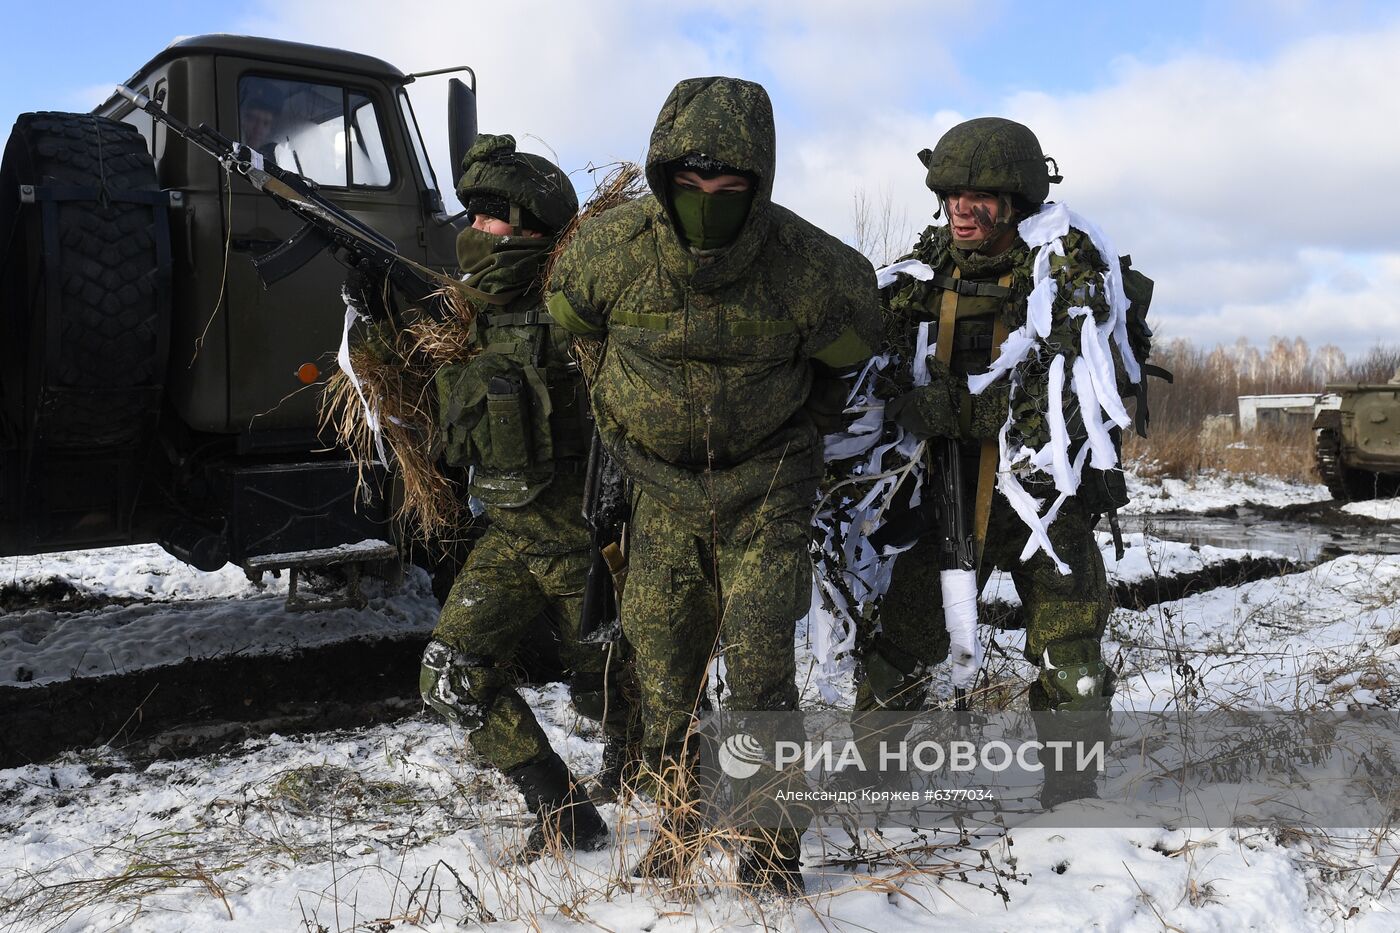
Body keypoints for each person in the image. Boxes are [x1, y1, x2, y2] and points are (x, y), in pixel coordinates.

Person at [546, 76, 882, 894]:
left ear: (759, 185)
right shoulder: (608, 254)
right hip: (658, 488)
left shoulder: (815, 269)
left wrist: (792, 423)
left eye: (729, 187)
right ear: (662, 179)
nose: (707, 201)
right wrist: (635, 413)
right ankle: (681, 818)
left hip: (767, 486)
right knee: (663, 668)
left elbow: (853, 352)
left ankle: (771, 851)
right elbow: (574, 325)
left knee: (762, 661)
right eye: (690, 185)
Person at [363, 134, 633, 859]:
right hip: (513, 539)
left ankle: (674, 801)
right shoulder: (474, 318)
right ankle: (559, 804)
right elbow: (431, 409)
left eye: (490, 219)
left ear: (532, 228)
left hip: (589, 546)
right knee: (449, 673)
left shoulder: (582, 308)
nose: (472, 233)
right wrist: (380, 322)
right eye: (471, 217)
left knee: (617, 695)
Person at [866, 117, 1137, 806]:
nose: (963, 206)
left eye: (980, 194)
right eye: (952, 192)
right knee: (900, 642)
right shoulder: (924, 270)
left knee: (1070, 650)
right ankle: (868, 781)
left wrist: (948, 408)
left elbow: (1056, 398)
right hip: (947, 489)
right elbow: (876, 352)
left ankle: (1073, 794)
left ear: (1016, 198)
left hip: (1046, 499)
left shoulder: (1066, 272)